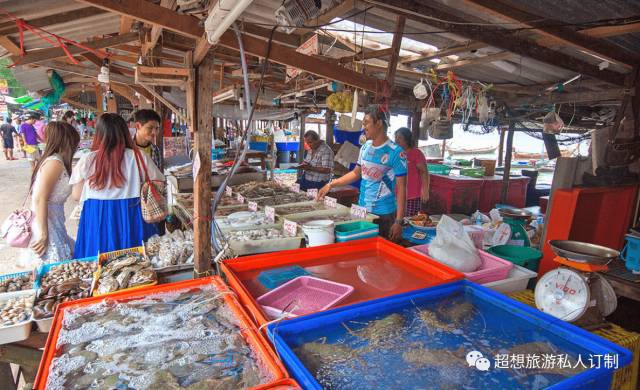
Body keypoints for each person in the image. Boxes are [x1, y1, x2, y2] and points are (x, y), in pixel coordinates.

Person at [71, 113, 165, 258]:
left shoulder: (88, 159)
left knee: (97, 261)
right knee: (136, 262)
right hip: (131, 213)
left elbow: (76, 195)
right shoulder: (139, 156)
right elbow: (160, 182)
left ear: (99, 134)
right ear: (125, 133)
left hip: (96, 215)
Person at [318, 106, 407, 241]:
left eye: (366, 122)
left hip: (384, 215)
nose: (363, 126)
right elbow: (356, 173)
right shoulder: (365, 147)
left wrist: (399, 221)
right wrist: (331, 185)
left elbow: (402, 189)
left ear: (379, 123)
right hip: (362, 211)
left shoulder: (395, 152)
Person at [26, 121, 80, 265]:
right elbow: (39, 199)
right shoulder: (54, 162)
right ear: (67, 140)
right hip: (47, 221)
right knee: (55, 265)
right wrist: (44, 234)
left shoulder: (55, 161)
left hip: (54, 218)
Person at [394, 127, 429, 216]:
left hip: (412, 196)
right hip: (396, 195)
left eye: (400, 137)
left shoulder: (416, 153)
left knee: (409, 221)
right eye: (396, 137)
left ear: (407, 139)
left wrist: (425, 190)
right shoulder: (395, 153)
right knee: (397, 221)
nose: (396, 140)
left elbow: (424, 172)